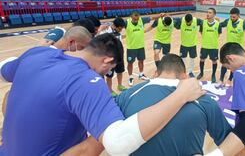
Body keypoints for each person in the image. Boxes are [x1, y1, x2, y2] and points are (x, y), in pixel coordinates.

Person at [0, 33, 205, 156]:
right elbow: (118, 143)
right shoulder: (85, 80)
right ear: (107, 62)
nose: (105, 75)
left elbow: (4, 69)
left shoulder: (38, 53)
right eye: (109, 71)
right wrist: (181, 95)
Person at [63, 54, 245, 156]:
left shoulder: (125, 96)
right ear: (184, 75)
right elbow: (234, 151)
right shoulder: (204, 101)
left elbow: (89, 148)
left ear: (155, 74)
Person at [218, 8, 245, 86]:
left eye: (234, 17)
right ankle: (221, 79)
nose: (232, 18)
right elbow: (220, 25)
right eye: (231, 17)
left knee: (233, 65)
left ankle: (230, 79)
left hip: (237, 49)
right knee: (224, 63)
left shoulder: (243, 23)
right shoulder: (227, 21)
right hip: (228, 47)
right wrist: (216, 21)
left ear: (238, 16)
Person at [124, 11, 155, 86]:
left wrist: (160, 15)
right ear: (131, 16)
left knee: (141, 60)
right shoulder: (126, 23)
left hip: (140, 46)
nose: (136, 20)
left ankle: (141, 74)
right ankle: (130, 77)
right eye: (135, 18)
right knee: (130, 63)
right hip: (131, 47)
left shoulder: (141, 20)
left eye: (137, 18)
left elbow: (151, 18)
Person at [99, 17, 126, 93]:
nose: (121, 30)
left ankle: (120, 85)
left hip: (119, 56)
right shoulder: (105, 31)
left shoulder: (118, 32)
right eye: (120, 28)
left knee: (120, 71)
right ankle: (110, 90)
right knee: (109, 75)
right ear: (115, 26)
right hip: (110, 58)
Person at [197, 8, 222, 83]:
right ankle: (201, 73)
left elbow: (219, 34)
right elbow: (201, 32)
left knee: (214, 61)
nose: (208, 14)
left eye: (210, 13)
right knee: (202, 59)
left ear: (214, 14)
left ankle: (213, 75)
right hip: (204, 46)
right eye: (207, 12)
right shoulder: (203, 23)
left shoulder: (218, 24)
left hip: (213, 47)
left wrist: (212, 39)